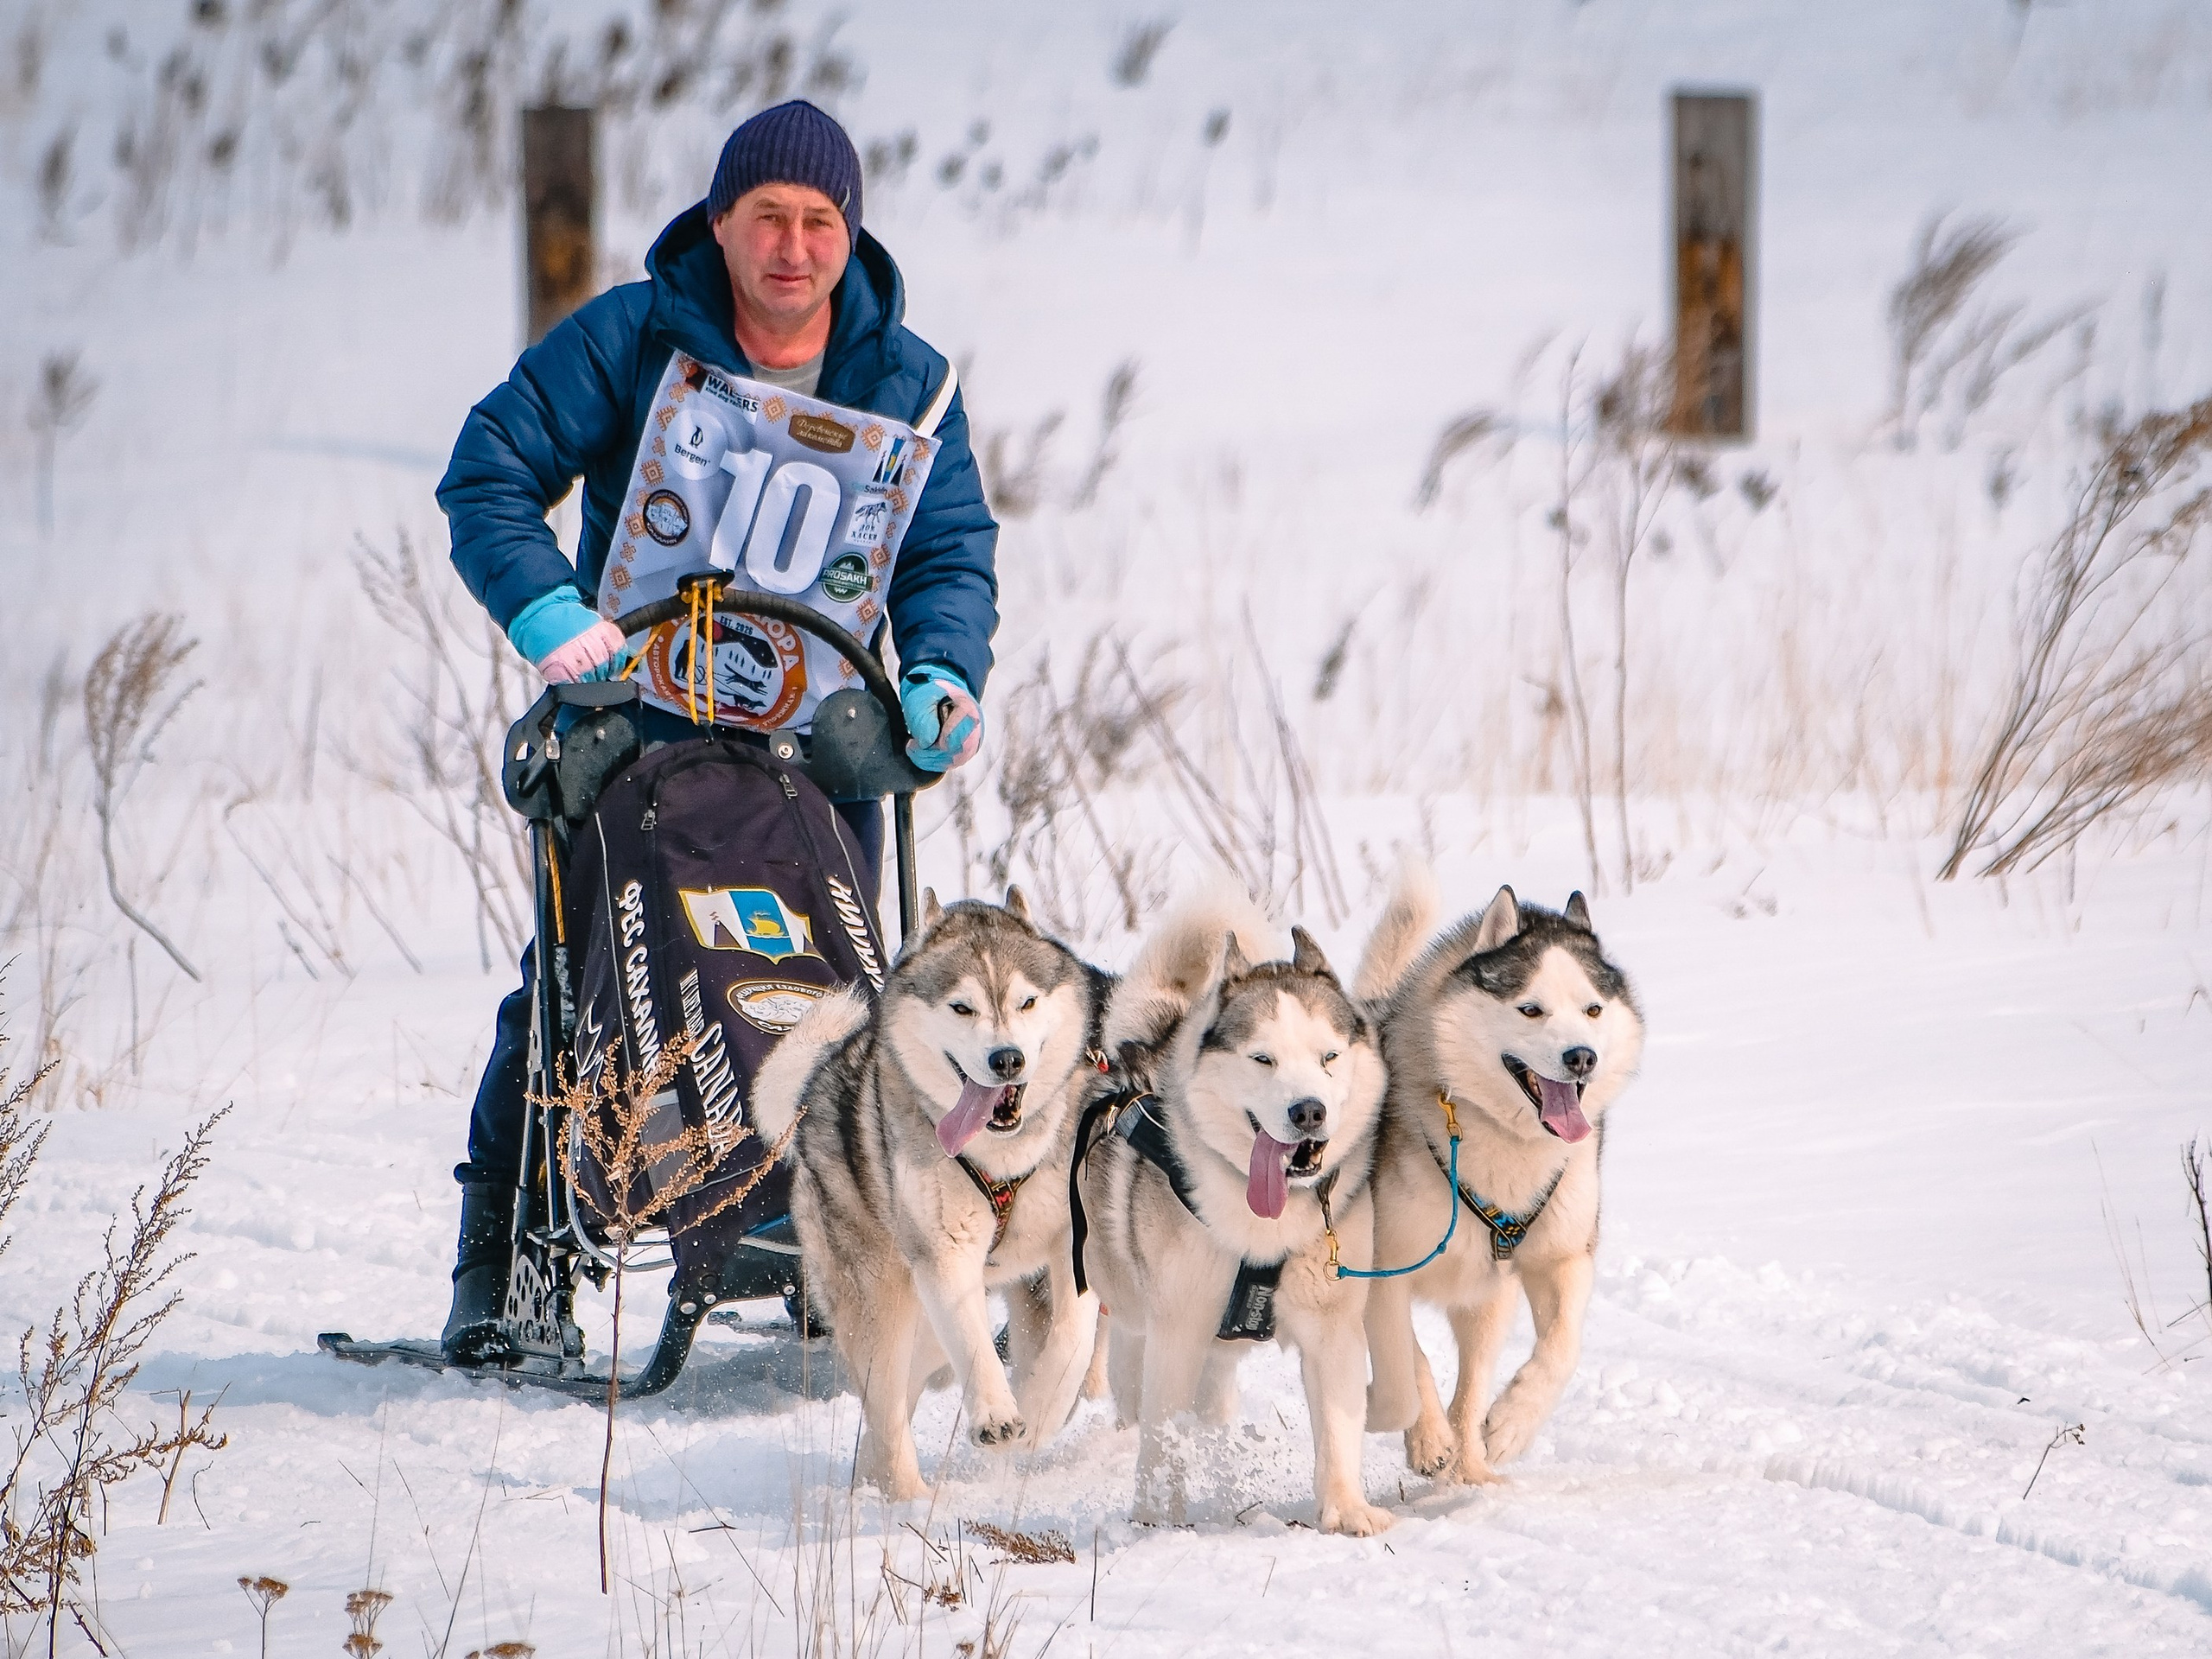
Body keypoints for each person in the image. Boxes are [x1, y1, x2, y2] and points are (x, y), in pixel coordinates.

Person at [433, 100, 998, 1361]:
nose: (792, 248)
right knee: (582, 986)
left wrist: (945, 671)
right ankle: (509, 1266)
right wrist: (545, 607)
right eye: (768, 220)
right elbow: (490, 469)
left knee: (846, 984)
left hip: (817, 747)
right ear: (722, 223)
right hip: (636, 731)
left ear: (849, 234)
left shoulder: (908, 381)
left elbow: (949, 549)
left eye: (819, 223)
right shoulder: (632, 339)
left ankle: (829, 1238)